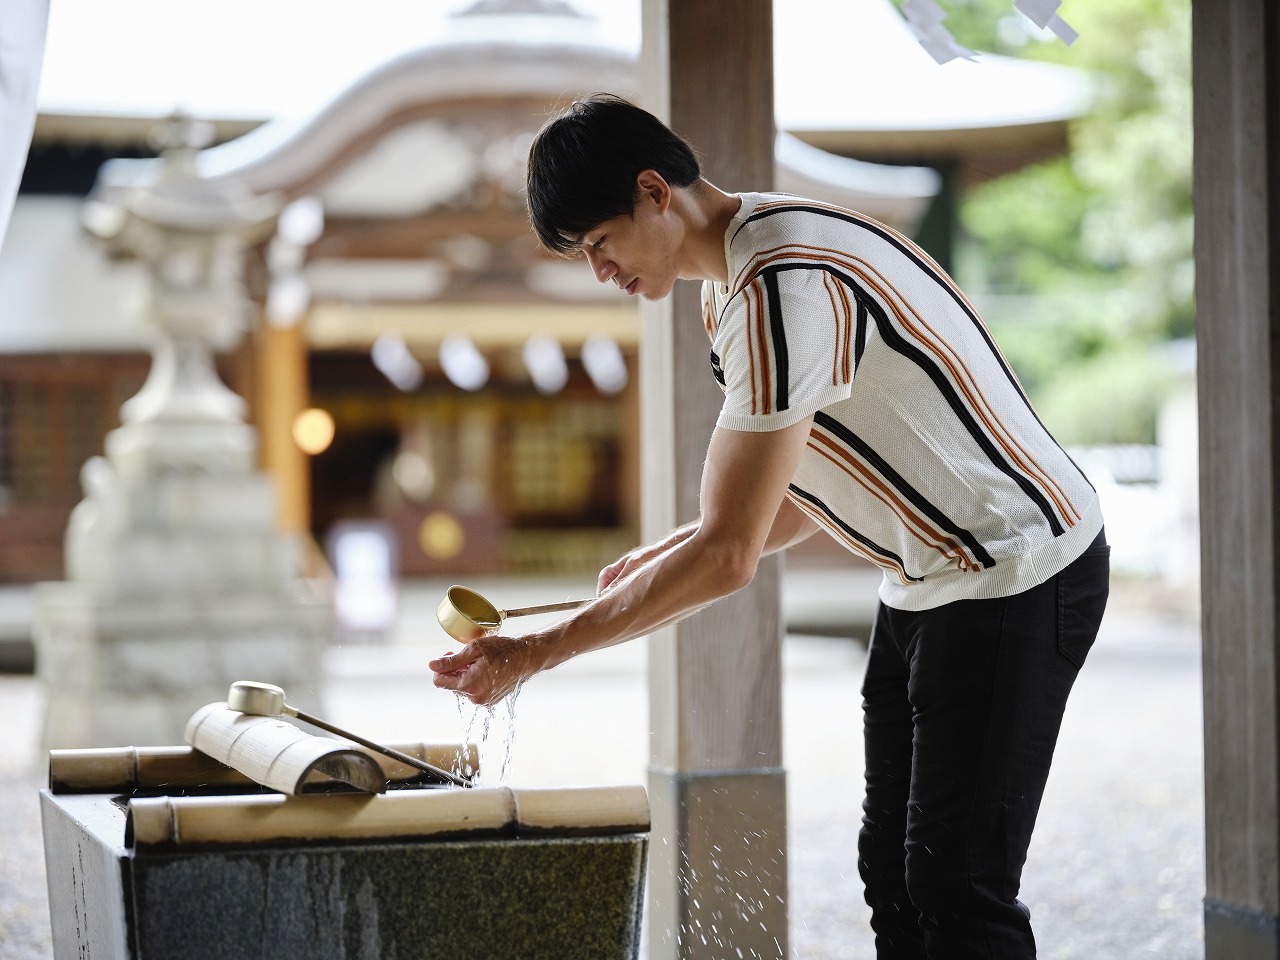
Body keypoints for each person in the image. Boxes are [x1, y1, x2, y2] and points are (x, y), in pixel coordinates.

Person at [430, 93, 1110, 960]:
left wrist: (537, 651)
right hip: (928, 580)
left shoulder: (780, 287)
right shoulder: (740, 271)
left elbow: (729, 556)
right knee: (893, 875)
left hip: (1018, 571)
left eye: (599, 244)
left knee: (957, 884)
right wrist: (672, 549)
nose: (599, 272)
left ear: (653, 191)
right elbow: (798, 490)